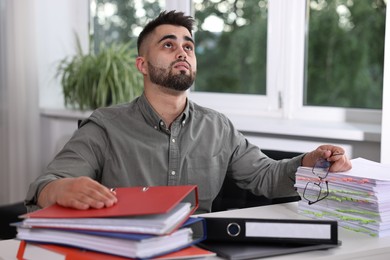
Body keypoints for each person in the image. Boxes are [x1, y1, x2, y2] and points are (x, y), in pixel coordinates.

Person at [25, 11, 352, 214]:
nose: (182, 51)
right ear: (142, 65)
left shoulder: (218, 127)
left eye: (188, 46)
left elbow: (266, 177)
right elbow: (48, 183)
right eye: (168, 44)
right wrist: (57, 189)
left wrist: (310, 162)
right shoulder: (105, 126)